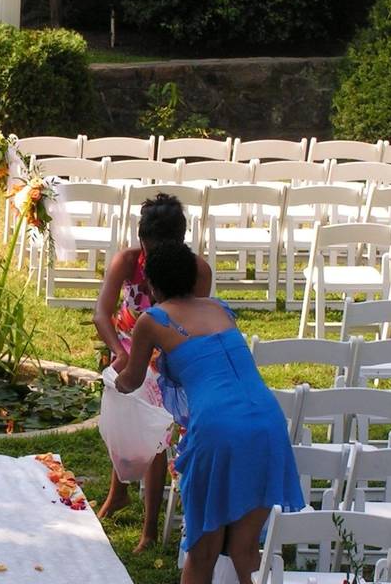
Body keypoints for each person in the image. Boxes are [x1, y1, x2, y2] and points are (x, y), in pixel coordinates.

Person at [116, 240, 303, 584]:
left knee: (203, 551)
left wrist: (113, 380)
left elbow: (131, 379)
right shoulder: (220, 309)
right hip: (268, 422)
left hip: (218, 429)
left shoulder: (151, 319)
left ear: (152, 286)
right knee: (245, 551)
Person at [92, 194, 212, 553]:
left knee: (155, 437)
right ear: (142, 239)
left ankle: (149, 527)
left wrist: (158, 357)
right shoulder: (127, 262)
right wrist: (119, 351)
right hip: (127, 350)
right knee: (123, 424)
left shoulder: (196, 270)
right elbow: (102, 313)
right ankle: (119, 494)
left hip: (169, 355)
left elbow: (190, 321)